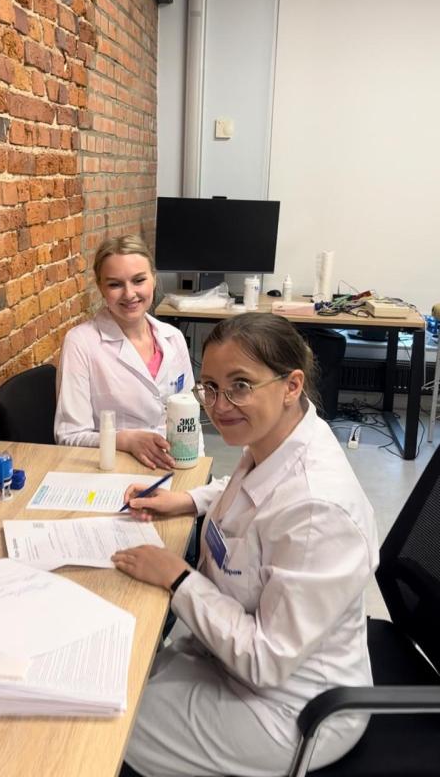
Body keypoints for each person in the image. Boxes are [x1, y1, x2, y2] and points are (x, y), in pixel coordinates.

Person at [112, 313, 379, 777]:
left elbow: (265, 660)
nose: (220, 406)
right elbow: (254, 492)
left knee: (111, 733)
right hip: (232, 660)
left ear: (291, 385)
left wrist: (177, 578)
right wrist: (187, 500)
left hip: (293, 708)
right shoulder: (279, 437)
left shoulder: (318, 511)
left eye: (240, 386)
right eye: (211, 387)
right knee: (120, 681)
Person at [54, 235, 202, 469]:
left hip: (175, 464)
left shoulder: (173, 338)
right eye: (115, 284)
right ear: (101, 287)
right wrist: (125, 440)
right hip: (114, 467)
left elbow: (190, 418)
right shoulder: (80, 343)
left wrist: (197, 465)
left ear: (154, 278)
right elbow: (69, 436)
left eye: (139, 280)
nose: (129, 294)